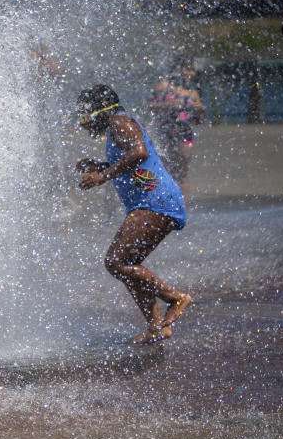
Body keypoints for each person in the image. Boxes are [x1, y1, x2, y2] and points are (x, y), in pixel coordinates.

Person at [75, 84, 192, 344]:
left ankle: (175, 298)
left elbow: (140, 153)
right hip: (150, 201)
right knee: (126, 266)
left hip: (155, 201)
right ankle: (156, 327)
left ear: (99, 111)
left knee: (116, 262)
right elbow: (131, 158)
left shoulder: (120, 122)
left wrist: (102, 176)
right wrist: (100, 165)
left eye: (85, 114)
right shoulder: (117, 125)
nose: (83, 121)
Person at [147, 57, 204, 195]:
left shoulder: (193, 93)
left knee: (182, 175)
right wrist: (168, 104)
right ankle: (163, 208)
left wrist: (200, 111)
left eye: (193, 71)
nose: (192, 74)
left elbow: (196, 121)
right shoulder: (163, 86)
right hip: (163, 132)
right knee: (163, 171)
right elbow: (149, 107)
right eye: (188, 69)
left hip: (184, 134)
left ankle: (182, 214)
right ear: (178, 70)